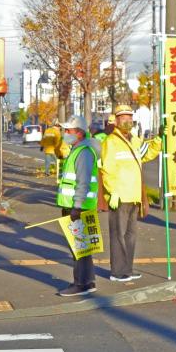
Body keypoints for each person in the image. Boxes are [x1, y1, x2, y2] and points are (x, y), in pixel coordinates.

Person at [100, 105, 161, 282]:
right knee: (118, 234)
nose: (127, 121)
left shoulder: (134, 140)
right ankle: (118, 272)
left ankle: (128, 268)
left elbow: (147, 154)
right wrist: (113, 192)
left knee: (131, 234)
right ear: (117, 121)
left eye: (129, 117)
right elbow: (107, 169)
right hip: (119, 196)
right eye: (123, 117)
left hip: (134, 195)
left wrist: (159, 139)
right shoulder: (111, 142)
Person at [56, 115, 102, 297]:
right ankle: (87, 282)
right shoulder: (78, 149)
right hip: (77, 205)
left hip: (78, 207)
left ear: (80, 133)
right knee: (82, 248)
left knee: (79, 248)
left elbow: (82, 182)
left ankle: (81, 284)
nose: (65, 133)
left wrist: (77, 206)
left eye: (69, 131)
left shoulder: (83, 152)